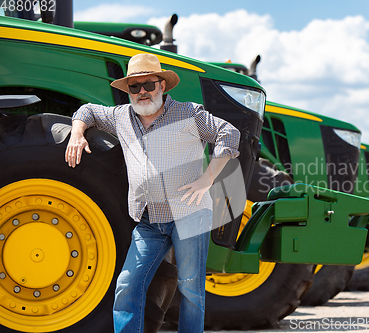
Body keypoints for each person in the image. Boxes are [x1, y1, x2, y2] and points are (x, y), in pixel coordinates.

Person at [65, 53, 240, 333]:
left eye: (149, 84)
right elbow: (87, 110)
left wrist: (207, 180)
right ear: (129, 91)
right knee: (127, 283)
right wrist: (77, 133)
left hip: (189, 215)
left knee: (191, 289)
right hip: (149, 220)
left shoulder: (189, 113)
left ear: (162, 85)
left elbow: (229, 134)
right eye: (135, 87)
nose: (142, 92)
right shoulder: (121, 117)